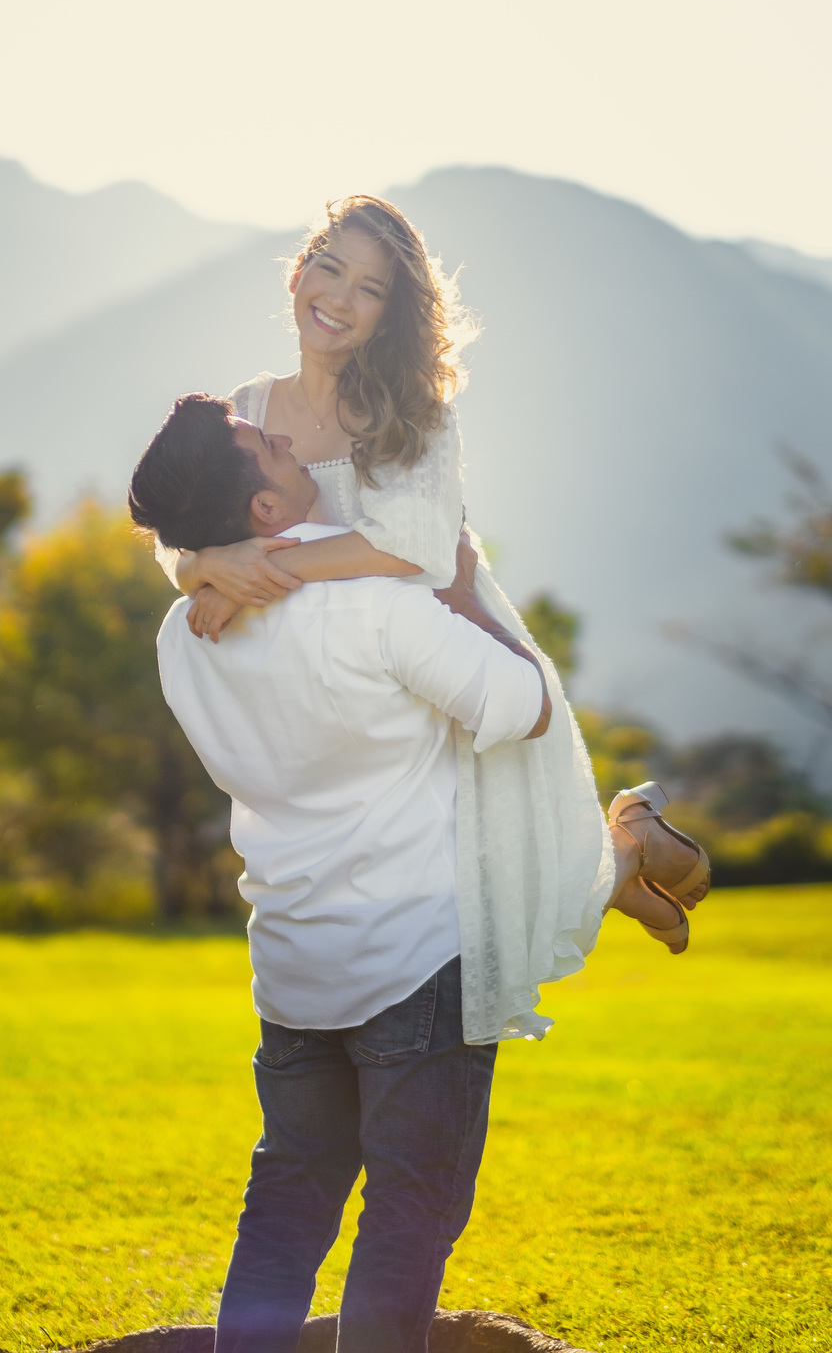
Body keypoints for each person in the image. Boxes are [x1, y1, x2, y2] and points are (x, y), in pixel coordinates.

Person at [126, 397, 704, 1353]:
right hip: (417, 962)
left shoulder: (182, 635)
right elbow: (526, 709)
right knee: (409, 1212)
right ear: (264, 509)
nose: (287, 437)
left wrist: (201, 567)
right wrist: (466, 598)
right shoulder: (378, 605)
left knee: (286, 1204)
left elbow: (205, 569)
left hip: (294, 964)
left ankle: (625, 860)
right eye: (265, 443)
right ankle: (627, 854)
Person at [152, 197, 709, 1041]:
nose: (340, 298)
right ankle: (623, 862)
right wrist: (202, 566)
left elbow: (413, 548)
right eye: (330, 268)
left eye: (370, 289)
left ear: (391, 315)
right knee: (431, 879)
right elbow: (191, 524)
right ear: (299, 273)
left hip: (440, 634)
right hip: (343, 677)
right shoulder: (251, 408)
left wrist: (256, 569)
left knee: (489, 877)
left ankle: (625, 849)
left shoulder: (413, 412)